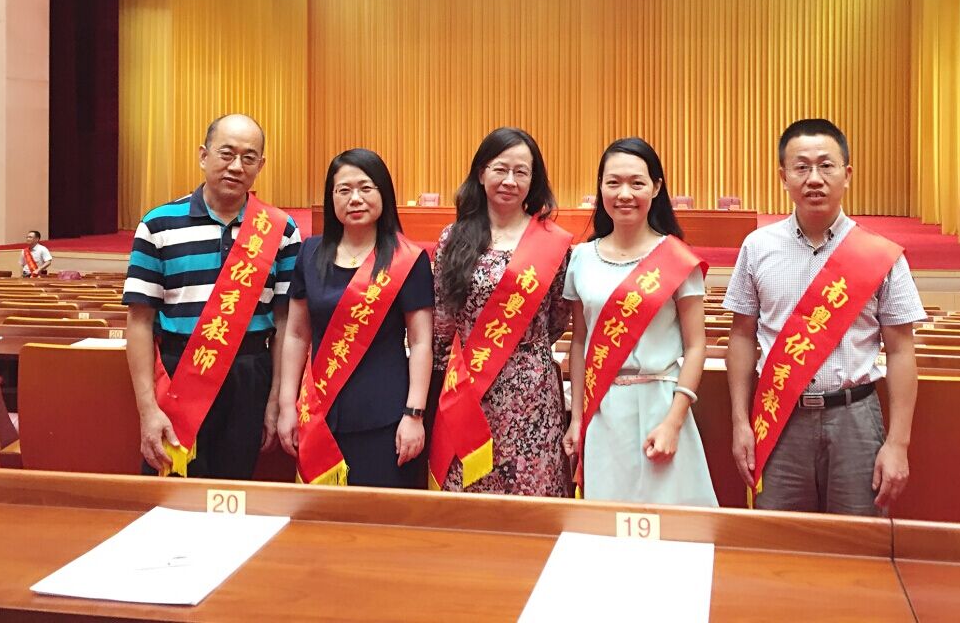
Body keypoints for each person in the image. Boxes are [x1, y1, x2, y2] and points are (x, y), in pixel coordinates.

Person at [724, 118, 925, 516]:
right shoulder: (757, 247)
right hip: (779, 416)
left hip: (855, 419)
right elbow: (742, 335)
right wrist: (740, 422)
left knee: (856, 541)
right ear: (783, 177)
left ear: (847, 174)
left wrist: (898, 443)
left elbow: (902, 351)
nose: (814, 178)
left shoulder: (880, 255)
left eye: (826, 165)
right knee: (779, 537)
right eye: (801, 167)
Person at [123, 113, 301, 480]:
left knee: (233, 493)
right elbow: (139, 322)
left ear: (261, 166)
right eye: (226, 153)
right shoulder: (158, 224)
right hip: (179, 374)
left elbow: (286, 322)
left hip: (250, 375)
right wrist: (147, 409)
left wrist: (274, 399)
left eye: (249, 158)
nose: (236, 166)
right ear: (203, 156)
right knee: (172, 491)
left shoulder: (281, 229)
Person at [563, 137, 716, 507]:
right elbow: (580, 343)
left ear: (656, 187)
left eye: (637, 183)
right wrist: (578, 419)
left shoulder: (676, 258)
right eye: (613, 183)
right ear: (600, 188)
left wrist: (674, 421)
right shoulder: (582, 258)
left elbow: (696, 345)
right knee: (607, 521)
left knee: (672, 523)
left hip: (661, 404)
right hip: (604, 409)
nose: (624, 194)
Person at [276, 149, 434, 488]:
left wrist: (414, 414)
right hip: (318, 412)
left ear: (383, 193)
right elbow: (296, 335)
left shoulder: (408, 259)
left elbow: (421, 342)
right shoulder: (310, 253)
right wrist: (287, 404)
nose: (355, 198)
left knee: (379, 515)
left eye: (365, 188)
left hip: (386, 419)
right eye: (343, 190)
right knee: (320, 516)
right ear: (331, 197)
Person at [429, 127, 573, 496]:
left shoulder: (553, 243)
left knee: (533, 492)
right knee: (469, 495)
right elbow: (442, 318)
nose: (510, 180)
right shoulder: (453, 238)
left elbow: (558, 318)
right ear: (481, 173)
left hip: (532, 393)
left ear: (533, 180)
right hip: (467, 387)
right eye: (500, 169)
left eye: (521, 172)